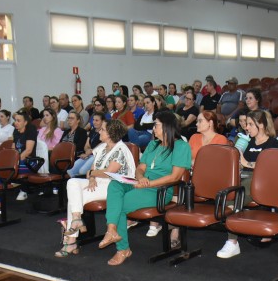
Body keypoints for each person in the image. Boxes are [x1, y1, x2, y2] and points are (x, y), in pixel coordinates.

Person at [98, 111, 191, 266]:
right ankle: (112, 230)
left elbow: (174, 177)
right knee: (115, 184)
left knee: (120, 204)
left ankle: (123, 249)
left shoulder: (181, 146)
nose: (153, 128)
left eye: (156, 125)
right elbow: (140, 168)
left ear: (167, 126)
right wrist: (141, 178)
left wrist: (148, 184)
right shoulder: (153, 144)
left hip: (160, 190)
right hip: (141, 183)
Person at [56, 119, 137, 257]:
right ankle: (76, 219)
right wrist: (92, 178)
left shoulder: (121, 150)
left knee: (75, 199)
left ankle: (71, 241)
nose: (99, 131)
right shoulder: (101, 147)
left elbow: (109, 173)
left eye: (103, 130)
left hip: (114, 187)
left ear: (111, 134)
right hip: (98, 182)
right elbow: (91, 170)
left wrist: (93, 174)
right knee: (72, 183)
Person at [217, 110, 278, 259]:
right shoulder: (249, 142)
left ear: (261, 125)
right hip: (245, 177)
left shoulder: (273, 143)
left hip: (262, 181)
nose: (247, 128)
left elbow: (270, 168)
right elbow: (242, 164)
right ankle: (234, 233)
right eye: (247, 124)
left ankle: (232, 242)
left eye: (251, 124)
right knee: (228, 192)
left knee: (235, 199)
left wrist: (246, 163)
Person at [0, 111, 38, 214]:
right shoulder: (16, 131)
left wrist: (14, 162)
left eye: (19, 121)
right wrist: (10, 161)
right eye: (15, 120)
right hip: (17, 162)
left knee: (1, 171)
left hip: (29, 162)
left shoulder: (31, 130)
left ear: (25, 122)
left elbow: (28, 151)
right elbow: (13, 149)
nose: (16, 123)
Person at [68, 112, 105, 178]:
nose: (94, 122)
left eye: (97, 120)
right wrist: (87, 150)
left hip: (96, 155)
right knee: (70, 170)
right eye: (93, 120)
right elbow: (86, 145)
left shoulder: (105, 132)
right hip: (89, 154)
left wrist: (90, 152)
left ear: (102, 121)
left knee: (82, 171)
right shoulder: (92, 131)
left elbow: (102, 144)